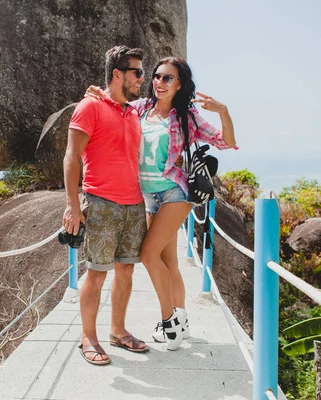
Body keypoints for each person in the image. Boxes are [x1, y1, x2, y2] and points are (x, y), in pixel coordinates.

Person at [87, 57, 237, 350]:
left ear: (180, 84)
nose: (159, 82)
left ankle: (169, 324)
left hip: (174, 194)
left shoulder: (187, 116)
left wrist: (224, 111)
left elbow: (225, 142)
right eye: (156, 76)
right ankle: (182, 323)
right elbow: (113, 111)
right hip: (144, 196)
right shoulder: (141, 109)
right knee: (169, 263)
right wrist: (97, 96)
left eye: (168, 78)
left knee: (148, 254)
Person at [63, 45, 150, 366]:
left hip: (133, 203)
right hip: (100, 202)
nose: (142, 78)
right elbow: (71, 157)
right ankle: (88, 336)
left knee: (126, 270)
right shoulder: (90, 106)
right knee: (97, 273)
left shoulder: (132, 111)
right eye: (137, 72)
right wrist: (72, 205)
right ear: (117, 74)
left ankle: (118, 330)